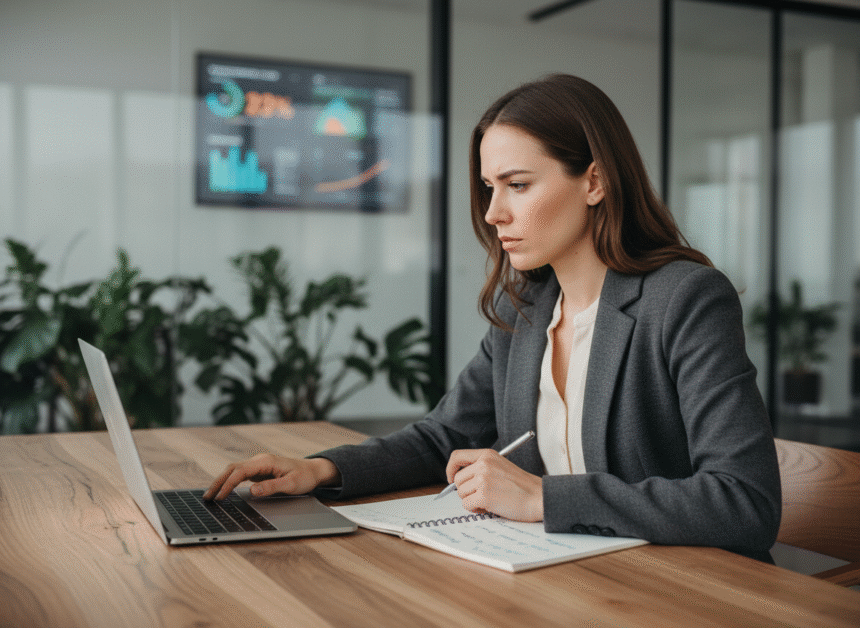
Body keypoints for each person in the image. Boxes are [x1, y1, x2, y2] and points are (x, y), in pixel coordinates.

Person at [205, 74, 781, 560]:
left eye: (518, 185)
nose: (494, 212)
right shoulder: (527, 306)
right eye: (488, 187)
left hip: (677, 591)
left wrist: (542, 499)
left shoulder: (684, 299)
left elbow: (744, 501)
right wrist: (320, 472)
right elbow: (445, 437)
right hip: (561, 579)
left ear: (596, 181)